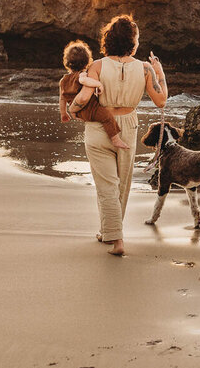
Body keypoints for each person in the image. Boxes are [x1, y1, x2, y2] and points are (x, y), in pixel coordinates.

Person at [82, 14, 167, 256]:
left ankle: (112, 235)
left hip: (100, 124)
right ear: (132, 41)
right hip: (128, 126)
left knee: (106, 185)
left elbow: (85, 98)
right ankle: (112, 233)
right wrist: (160, 74)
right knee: (121, 184)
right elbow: (161, 101)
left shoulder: (96, 66)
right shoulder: (145, 68)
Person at [58, 40, 129, 149]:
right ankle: (115, 140)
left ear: (67, 61)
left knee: (101, 117)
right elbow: (84, 81)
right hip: (90, 108)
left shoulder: (63, 80)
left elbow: (62, 99)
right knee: (107, 117)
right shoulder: (82, 75)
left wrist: (63, 112)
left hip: (78, 112)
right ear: (87, 61)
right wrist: (98, 84)